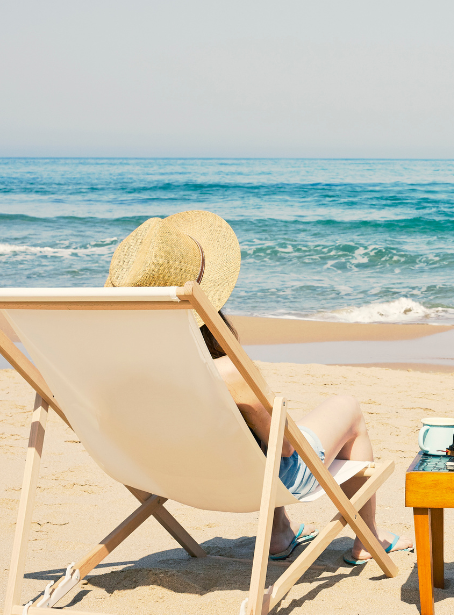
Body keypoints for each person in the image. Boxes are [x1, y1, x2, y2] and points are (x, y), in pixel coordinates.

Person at [105, 210, 412, 563]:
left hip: (169, 477)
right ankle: (368, 537)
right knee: (345, 409)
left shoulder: (118, 374)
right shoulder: (226, 373)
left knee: (253, 438)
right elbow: (285, 449)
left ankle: (280, 532)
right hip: (253, 481)